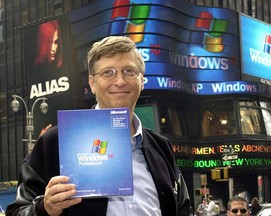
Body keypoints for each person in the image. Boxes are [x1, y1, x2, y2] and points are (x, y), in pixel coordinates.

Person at [6, 35, 191, 216]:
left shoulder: (162, 147)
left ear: (141, 81)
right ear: (92, 83)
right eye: (108, 72)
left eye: (129, 71)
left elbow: (182, 208)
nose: (119, 81)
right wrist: (43, 209)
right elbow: (17, 211)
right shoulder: (54, 142)